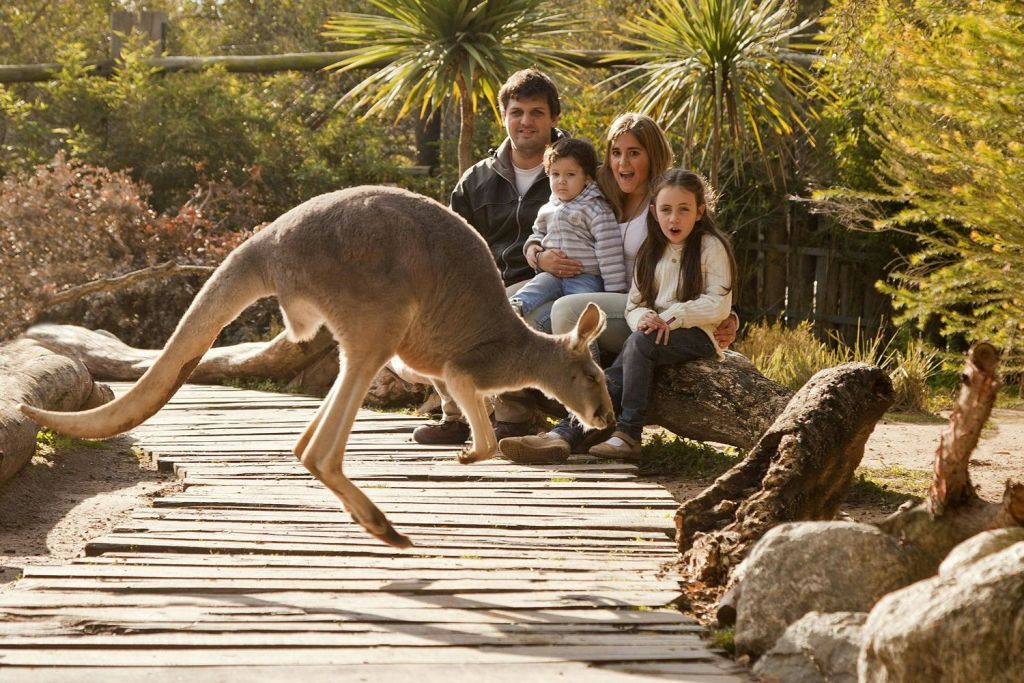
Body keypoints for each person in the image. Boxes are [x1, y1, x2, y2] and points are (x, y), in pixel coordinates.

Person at [500, 169, 738, 463]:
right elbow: (634, 304)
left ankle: (628, 433)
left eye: (683, 210)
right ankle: (565, 434)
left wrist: (672, 317)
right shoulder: (651, 251)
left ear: (700, 211)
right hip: (653, 333)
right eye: (665, 210)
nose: (674, 219)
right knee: (623, 364)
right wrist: (644, 318)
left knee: (638, 345)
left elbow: (718, 304)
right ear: (654, 211)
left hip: (698, 335)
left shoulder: (710, 247)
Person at [411, 68, 567, 445]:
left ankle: (515, 418)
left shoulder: (576, 168)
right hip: (487, 279)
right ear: (504, 116)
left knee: (505, 312)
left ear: (554, 118)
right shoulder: (477, 179)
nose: (525, 121)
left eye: (536, 112)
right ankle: (458, 416)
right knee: (427, 310)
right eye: (517, 112)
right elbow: (452, 244)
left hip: (549, 280)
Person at [509, 137, 625, 330]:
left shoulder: (596, 209)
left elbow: (609, 252)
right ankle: (514, 309)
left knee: (578, 319)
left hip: (585, 277)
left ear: (587, 177)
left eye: (570, 174)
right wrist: (533, 247)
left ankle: (586, 354)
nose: (561, 181)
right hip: (552, 275)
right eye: (555, 174)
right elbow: (538, 232)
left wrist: (615, 292)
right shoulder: (550, 206)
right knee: (536, 287)